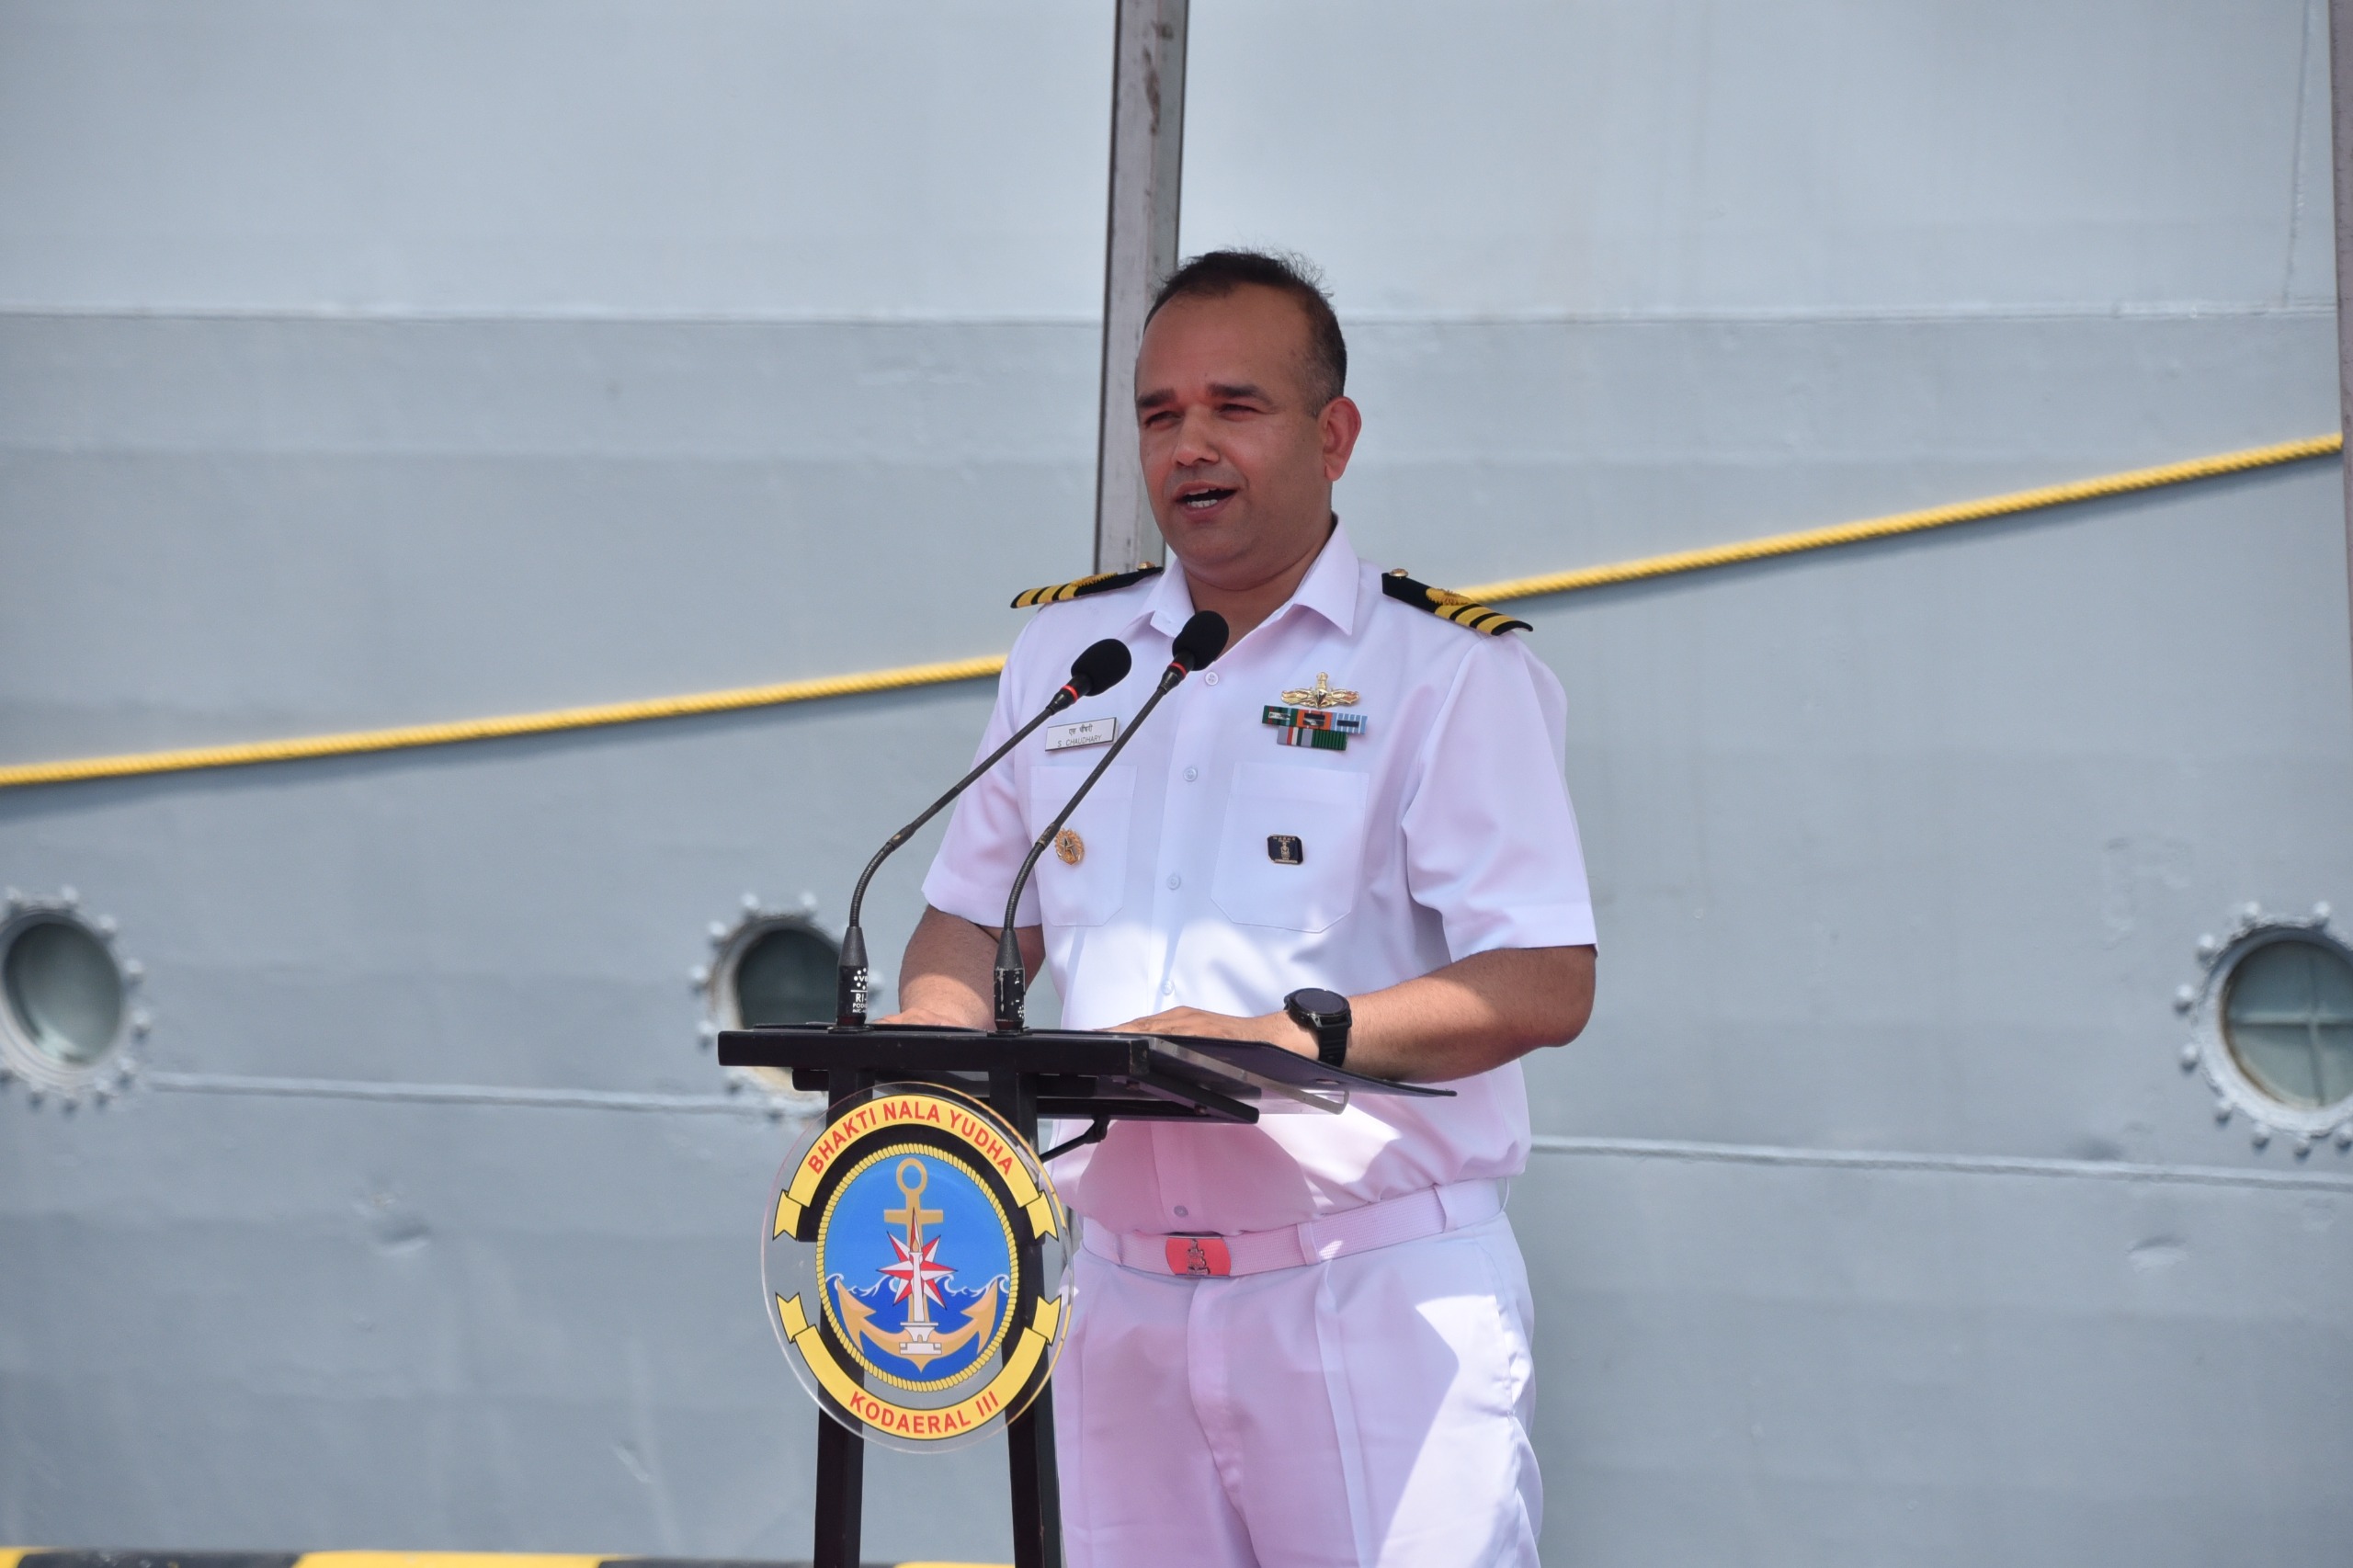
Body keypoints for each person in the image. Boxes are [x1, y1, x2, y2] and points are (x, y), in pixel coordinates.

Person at [887, 250, 1597, 1568]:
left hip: (1364, 1293)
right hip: (1117, 1296)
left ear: (1334, 436)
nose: (1191, 446)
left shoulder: (1445, 671)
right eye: (1160, 414)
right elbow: (971, 919)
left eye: (1235, 406)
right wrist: (935, 1047)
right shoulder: (1073, 658)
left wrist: (1292, 1037)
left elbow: (1545, 978)